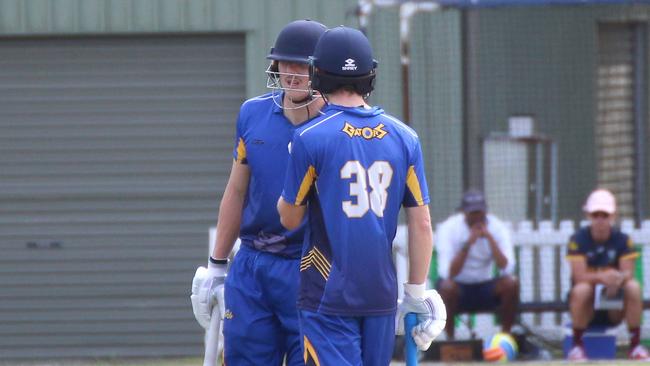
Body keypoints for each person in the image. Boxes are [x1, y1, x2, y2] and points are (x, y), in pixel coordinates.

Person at [277, 26, 446, 366]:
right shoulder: (405, 138)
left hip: (327, 293)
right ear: (369, 75)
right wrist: (415, 292)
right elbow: (422, 223)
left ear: (319, 73)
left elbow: (289, 218)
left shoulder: (309, 137)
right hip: (380, 293)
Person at [190, 19, 327, 366]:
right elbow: (237, 190)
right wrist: (217, 264)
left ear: (322, 69)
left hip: (312, 265)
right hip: (253, 262)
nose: (292, 74)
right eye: (286, 64)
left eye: (302, 65)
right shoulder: (253, 113)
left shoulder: (339, 124)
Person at [565, 189, 649, 361]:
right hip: (586, 305)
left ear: (613, 216)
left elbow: (628, 273)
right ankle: (577, 346)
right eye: (596, 215)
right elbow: (579, 276)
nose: (600, 220)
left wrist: (617, 280)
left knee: (633, 287)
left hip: (611, 301)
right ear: (588, 215)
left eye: (605, 215)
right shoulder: (578, 239)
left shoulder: (623, 240)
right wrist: (602, 276)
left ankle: (635, 346)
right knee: (582, 289)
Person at [435, 190, 519, 339]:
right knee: (446, 287)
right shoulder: (449, 228)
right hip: (459, 287)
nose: (477, 217)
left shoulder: (497, 228)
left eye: (479, 212)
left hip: (485, 285)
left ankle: (506, 336)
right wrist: (468, 244)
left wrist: (490, 240)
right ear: (464, 213)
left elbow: (507, 267)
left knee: (511, 284)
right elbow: (448, 273)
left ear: (485, 211)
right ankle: (451, 341)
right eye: (472, 213)